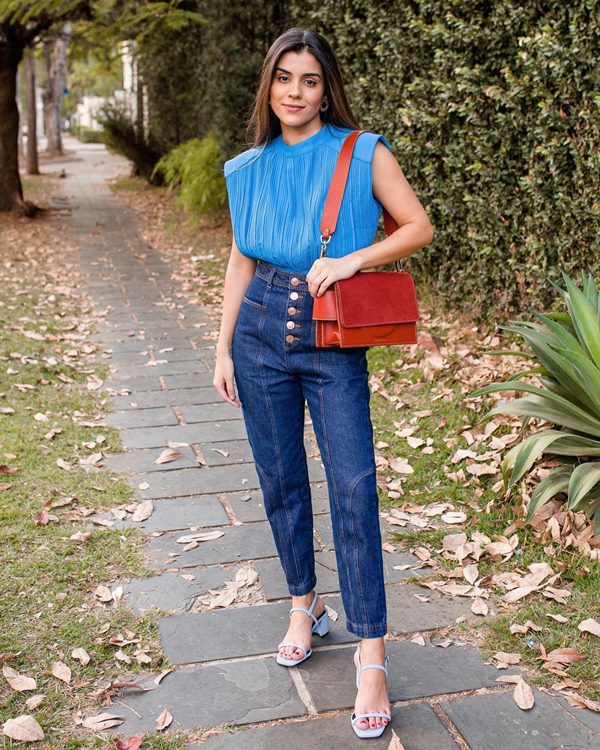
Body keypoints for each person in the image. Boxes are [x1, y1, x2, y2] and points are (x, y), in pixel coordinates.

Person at [213, 27, 433, 739]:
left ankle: (371, 653)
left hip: (332, 333)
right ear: (268, 84)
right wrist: (221, 348)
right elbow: (241, 259)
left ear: (324, 86)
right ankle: (303, 603)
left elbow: (417, 225)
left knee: (353, 484)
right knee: (279, 480)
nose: (295, 92)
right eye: (284, 77)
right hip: (258, 333)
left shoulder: (360, 150)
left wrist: (350, 260)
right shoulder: (247, 166)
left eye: (309, 79)